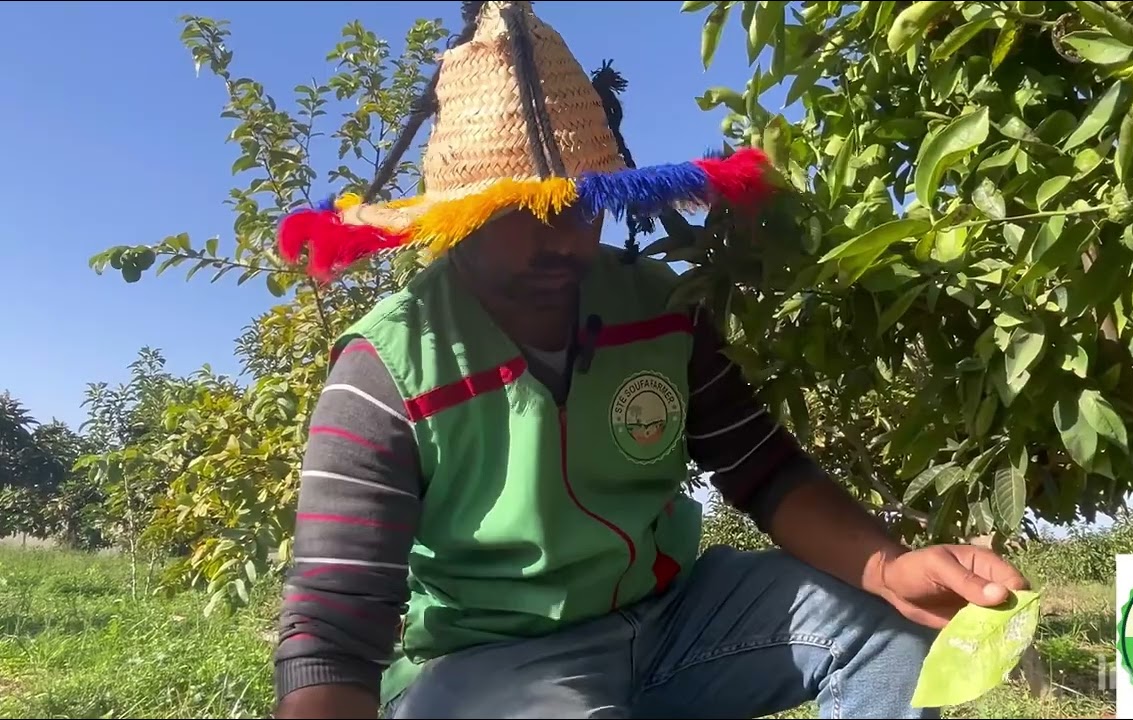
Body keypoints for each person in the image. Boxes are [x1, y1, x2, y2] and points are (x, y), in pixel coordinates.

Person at [270, 2, 1030, 718]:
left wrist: (889, 568)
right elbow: (336, 625)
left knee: (892, 636)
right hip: (495, 661)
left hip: (675, 617)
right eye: (520, 211)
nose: (563, 239)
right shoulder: (388, 369)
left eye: (582, 203)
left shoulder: (657, 308)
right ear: (455, 217)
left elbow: (763, 471)